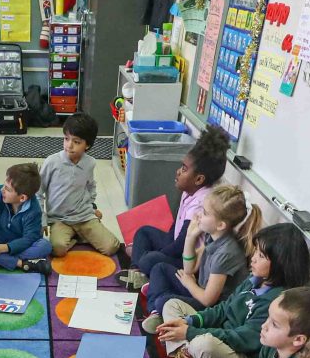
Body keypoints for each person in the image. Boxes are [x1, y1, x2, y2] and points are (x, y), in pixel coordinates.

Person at [153, 222, 310, 358]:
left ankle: (189, 354)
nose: (253, 258)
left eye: (261, 256)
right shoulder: (254, 280)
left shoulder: (276, 302)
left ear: (280, 263)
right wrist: (189, 321)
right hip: (223, 336)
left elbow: (241, 340)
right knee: (172, 305)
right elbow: (223, 309)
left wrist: (189, 332)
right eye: (256, 251)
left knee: (203, 344)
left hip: (241, 357)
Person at [122, 128, 229, 291]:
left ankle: (144, 268)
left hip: (187, 259)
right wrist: (161, 249)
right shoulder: (190, 191)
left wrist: (159, 253)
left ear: (199, 179)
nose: (178, 171)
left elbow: (180, 245)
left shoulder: (202, 202)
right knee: (143, 232)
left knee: (150, 259)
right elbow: (174, 230)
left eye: (184, 169)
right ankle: (137, 272)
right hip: (176, 246)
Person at [140, 183, 255, 315]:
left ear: (221, 225)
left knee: (164, 301)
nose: (199, 215)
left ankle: (159, 300)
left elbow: (208, 300)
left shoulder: (226, 253)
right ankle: (155, 312)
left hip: (215, 309)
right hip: (199, 290)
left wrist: (189, 284)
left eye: (205, 213)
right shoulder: (213, 235)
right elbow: (190, 269)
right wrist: (190, 237)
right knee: (160, 268)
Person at [40, 113, 120, 258]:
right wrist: (42, 219)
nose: (69, 145)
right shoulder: (51, 162)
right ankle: (78, 237)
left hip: (84, 216)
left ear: (87, 145)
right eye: (66, 139)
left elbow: (90, 186)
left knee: (111, 247)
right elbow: (38, 192)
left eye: (76, 142)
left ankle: (81, 234)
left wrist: (92, 207)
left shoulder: (90, 163)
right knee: (57, 249)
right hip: (60, 219)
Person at [0, 163, 52, 273]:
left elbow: (29, 239)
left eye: (8, 189)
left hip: (21, 245)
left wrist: (1, 249)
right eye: (4, 185)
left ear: (22, 197)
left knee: (45, 246)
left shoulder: (34, 210)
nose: (2, 190)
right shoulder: (0, 194)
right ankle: (22, 264)